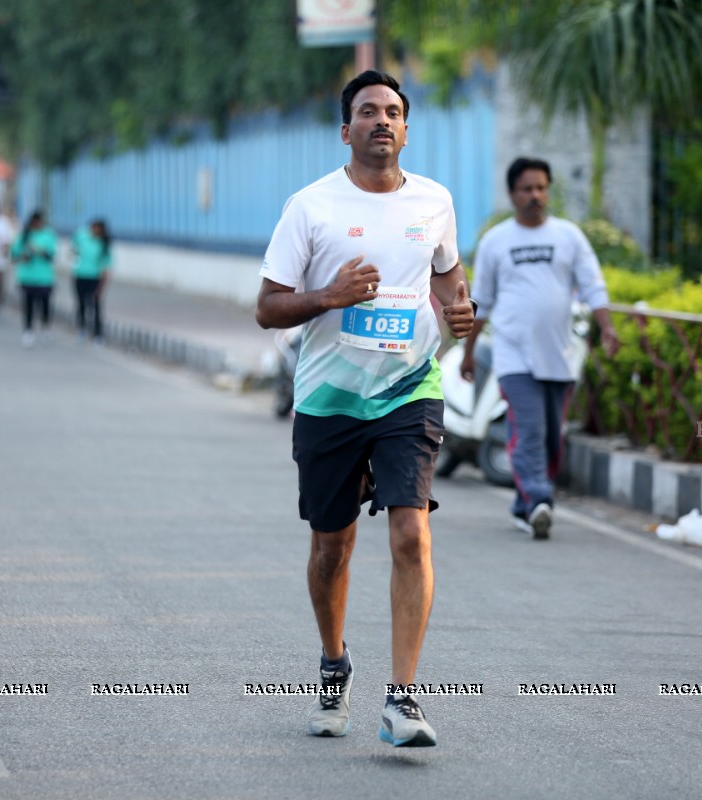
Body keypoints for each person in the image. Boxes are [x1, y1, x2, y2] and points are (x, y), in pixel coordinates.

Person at [255, 70, 474, 748]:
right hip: (329, 399)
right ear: (344, 129)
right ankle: (333, 662)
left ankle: (403, 698)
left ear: (406, 128)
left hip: (410, 390)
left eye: (394, 112)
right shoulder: (311, 207)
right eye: (368, 112)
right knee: (332, 546)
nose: (382, 120)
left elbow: (448, 281)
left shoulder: (434, 202)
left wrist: (463, 313)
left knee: (412, 533)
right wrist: (329, 296)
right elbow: (268, 307)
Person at [462, 157, 621, 539]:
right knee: (529, 429)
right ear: (513, 194)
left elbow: (593, 284)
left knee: (551, 437)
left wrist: (607, 327)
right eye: (526, 189)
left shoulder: (568, 236)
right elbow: (480, 299)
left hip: (559, 355)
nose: (535, 195)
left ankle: (525, 506)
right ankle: (539, 498)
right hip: (514, 355)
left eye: (541, 188)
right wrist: (467, 351)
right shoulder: (496, 241)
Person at [10, 211, 57, 348]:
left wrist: (40, 251)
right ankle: (28, 330)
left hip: (44, 278)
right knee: (28, 305)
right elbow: (14, 256)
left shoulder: (48, 235)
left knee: (45, 305)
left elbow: (52, 256)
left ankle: (46, 328)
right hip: (27, 277)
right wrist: (23, 256)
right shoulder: (24, 236)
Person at [71, 218, 111, 344]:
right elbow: (73, 249)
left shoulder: (103, 244)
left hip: (95, 278)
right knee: (81, 304)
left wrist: (101, 286)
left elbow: (106, 266)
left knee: (96, 306)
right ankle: (81, 329)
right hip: (80, 275)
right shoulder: (82, 236)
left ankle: (98, 334)